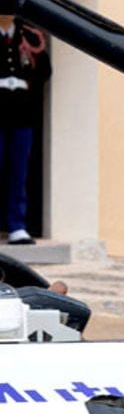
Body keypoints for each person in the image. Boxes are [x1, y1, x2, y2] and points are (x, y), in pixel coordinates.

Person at [0, 13, 49, 246]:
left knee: (19, 173)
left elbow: (44, 70)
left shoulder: (29, 35)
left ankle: (17, 225)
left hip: (22, 115)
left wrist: (24, 81)